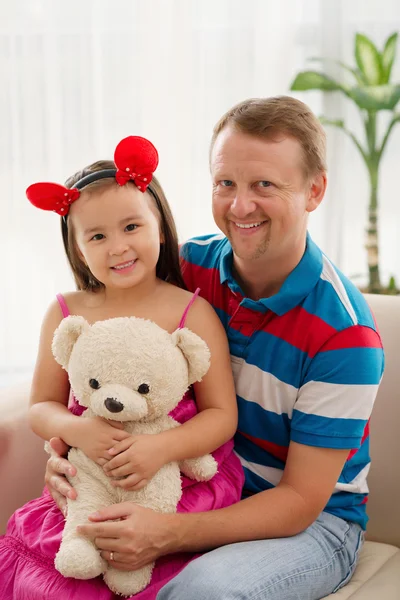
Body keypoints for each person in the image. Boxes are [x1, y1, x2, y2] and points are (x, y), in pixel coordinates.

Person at [28, 96, 385, 600]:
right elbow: (97, 357)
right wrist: (68, 449)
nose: (240, 206)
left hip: (309, 522)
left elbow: (301, 500)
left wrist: (164, 533)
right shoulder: (182, 269)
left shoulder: (345, 336)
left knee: (204, 591)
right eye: (226, 183)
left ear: (314, 190)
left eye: (265, 184)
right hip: (187, 486)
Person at [0, 136, 244, 600]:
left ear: (160, 227)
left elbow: (221, 415)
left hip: (173, 485)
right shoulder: (66, 313)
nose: (117, 247)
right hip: (92, 480)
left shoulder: (191, 312)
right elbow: (41, 407)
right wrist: (78, 430)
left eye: (131, 226)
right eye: (97, 236)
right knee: (69, 569)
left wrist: (161, 450)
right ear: (77, 248)